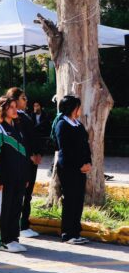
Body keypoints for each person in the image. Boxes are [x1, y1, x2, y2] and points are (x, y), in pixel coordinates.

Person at [0, 95, 30, 252]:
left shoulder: (17, 128)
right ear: (3, 109)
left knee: (16, 208)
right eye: (11, 107)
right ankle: (3, 240)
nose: (15, 109)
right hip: (4, 179)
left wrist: (25, 176)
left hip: (19, 178)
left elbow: (24, 155)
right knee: (4, 209)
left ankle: (13, 238)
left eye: (15, 106)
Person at [6, 87, 44, 239]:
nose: (26, 101)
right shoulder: (15, 119)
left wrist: (39, 153)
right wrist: (30, 156)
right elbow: (21, 140)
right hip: (23, 161)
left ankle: (24, 223)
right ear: (14, 100)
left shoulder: (25, 116)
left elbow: (34, 136)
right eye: (23, 98)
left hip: (31, 160)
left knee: (27, 194)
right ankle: (21, 225)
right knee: (21, 194)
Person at [54, 95, 91, 244]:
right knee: (70, 200)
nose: (80, 110)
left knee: (78, 199)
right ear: (72, 108)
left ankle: (76, 232)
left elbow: (85, 144)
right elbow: (66, 150)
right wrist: (79, 165)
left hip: (81, 169)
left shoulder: (78, 124)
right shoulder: (62, 124)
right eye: (78, 107)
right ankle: (67, 233)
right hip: (68, 168)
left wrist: (88, 162)